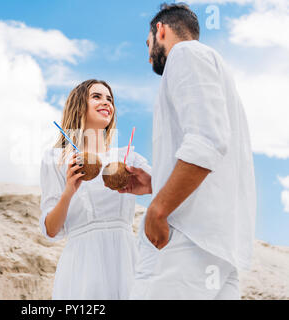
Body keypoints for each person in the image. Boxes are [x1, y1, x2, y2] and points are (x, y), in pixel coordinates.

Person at [121, 3, 256, 299]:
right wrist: (156, 182)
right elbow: (216, 152)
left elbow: (207, 141)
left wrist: (159, 209)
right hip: (219, 248)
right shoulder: (220, 72)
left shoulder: (185, 54)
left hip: (184, 239)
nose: (148, 56)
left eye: (148, 45)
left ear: (161, 30)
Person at [39, 79, 151, 299]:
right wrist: (69, 190)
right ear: (79, 105)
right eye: (97, 96)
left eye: (110, 99)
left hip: (126, 258)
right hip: (83, 263)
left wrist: (148, 186)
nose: (106, 102)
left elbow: (167, 187)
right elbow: (51, 230)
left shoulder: (128, 157)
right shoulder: (56, 159)